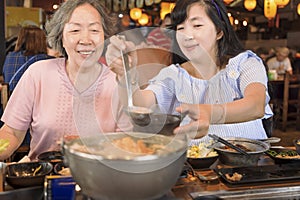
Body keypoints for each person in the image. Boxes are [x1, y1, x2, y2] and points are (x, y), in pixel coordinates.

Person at [107, 0, 272, 143]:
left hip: (251, 165)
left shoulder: (244, 64)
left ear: (219, 32)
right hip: (196, 170)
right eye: (180, 28)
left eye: (197, 25)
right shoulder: (173, 75)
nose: (187, 35)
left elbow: (256, 105)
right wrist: (126, 74)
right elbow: (140, 105)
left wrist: (208, 112)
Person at [0, 0, 130, 161]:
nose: (86, 39)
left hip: (99, 179)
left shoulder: (119, 81)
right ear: (61, 37)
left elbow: (125, 143)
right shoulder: (38, 73)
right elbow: (11, 132)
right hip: (44, 177)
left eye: (94, 30)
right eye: (75, 30)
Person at [3, 25, 54, 93]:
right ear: (41, 41)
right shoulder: (46, 60)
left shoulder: (10, 56)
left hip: (12, 100)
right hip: (32, 101)